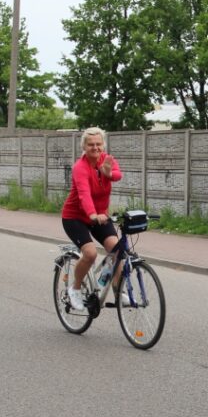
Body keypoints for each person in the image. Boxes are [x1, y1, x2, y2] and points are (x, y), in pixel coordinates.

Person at [60, 126, 122, 310]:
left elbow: (118, 175)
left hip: (100, 216)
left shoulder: (107, 160)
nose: (95, 147)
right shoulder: (80, 167)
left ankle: (120, 292)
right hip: (75, 217)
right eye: (91, 144)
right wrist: (92, 214)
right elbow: (84, 195)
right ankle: (75, 289)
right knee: (90, 253)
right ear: (84, 147)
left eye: (98, 144)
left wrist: (108, 174)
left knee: (117, 250)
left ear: (103, 145)